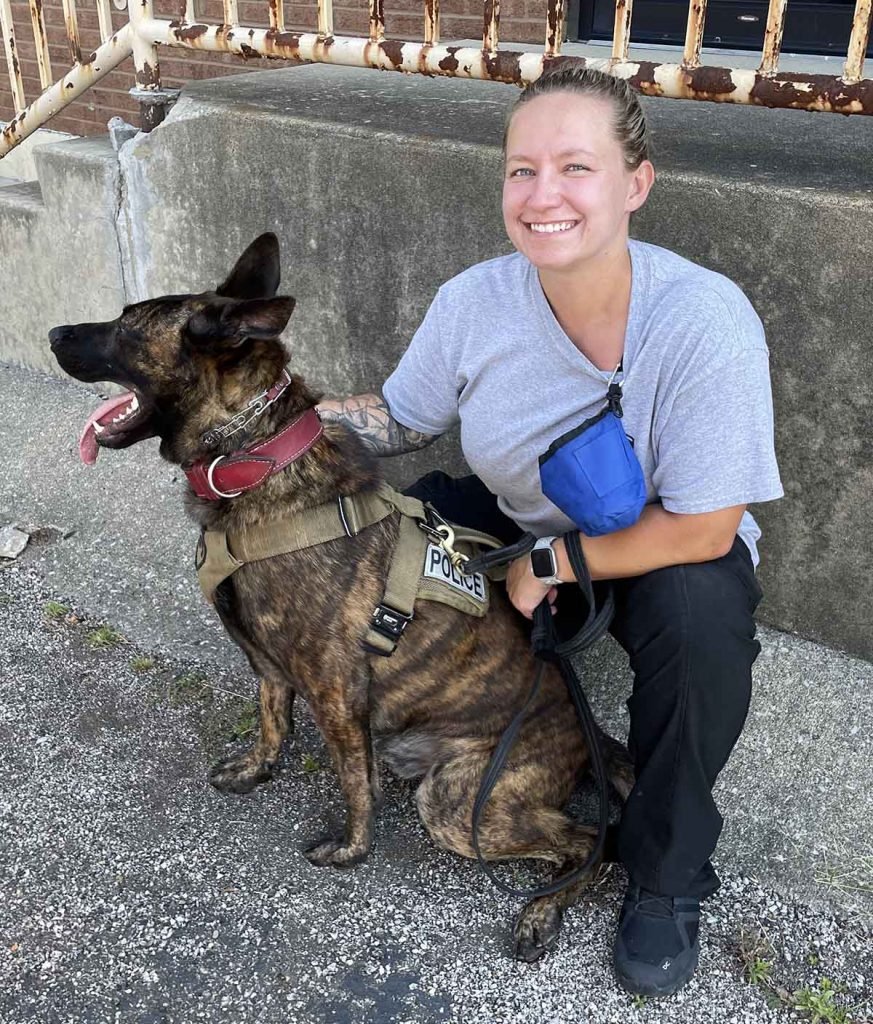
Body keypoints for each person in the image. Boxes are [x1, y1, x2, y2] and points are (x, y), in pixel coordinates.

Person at [318, 64, 782, 997]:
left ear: (635, 184)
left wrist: (556, 559)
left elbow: (705, 525)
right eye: (520, 171)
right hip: (516, 514)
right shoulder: (474, 301)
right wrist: (273, 419)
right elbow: (403, 419)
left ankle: (663, 872)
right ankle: (422, 714)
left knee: (702, 632)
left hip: (661, 543)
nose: (541, 196)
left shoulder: (700, 320)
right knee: (373, 530)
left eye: (575, 167)